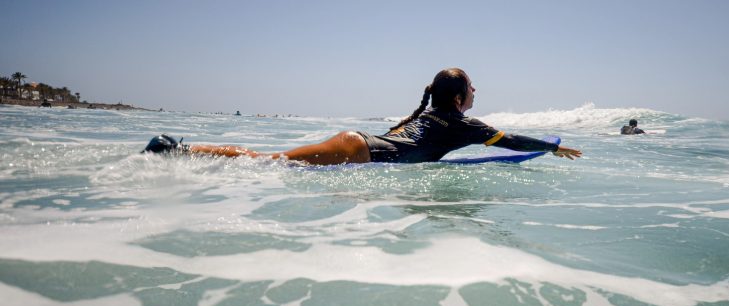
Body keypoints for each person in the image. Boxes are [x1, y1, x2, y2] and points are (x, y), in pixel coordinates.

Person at [143, 68, 582, 165]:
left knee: (270, 160)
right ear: (460, 96)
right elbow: (511, 140)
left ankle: (182, 150)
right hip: (357, 148)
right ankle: (178, 149)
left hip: (357, 143)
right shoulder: (463, 124)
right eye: (472, 89)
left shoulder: (435, 116)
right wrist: (552, 146)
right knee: (267, 161)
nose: (476, 94)